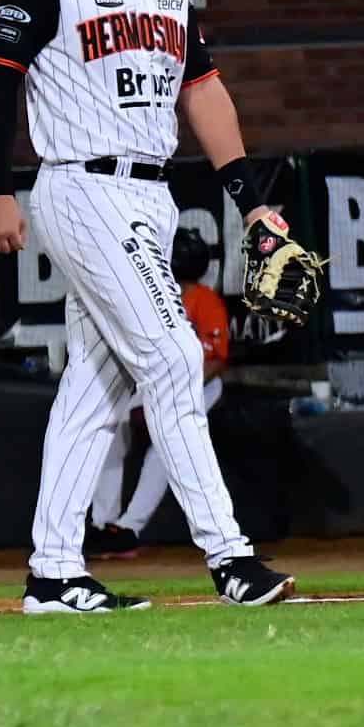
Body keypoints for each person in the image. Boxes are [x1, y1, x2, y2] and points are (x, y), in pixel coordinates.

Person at [0, 0, 301, 613]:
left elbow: (205, 92)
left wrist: (251, 200)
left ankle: (53, 569)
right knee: (172, 355)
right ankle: (229, 556)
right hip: (82, 186)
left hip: (149, 193)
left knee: (94, 387)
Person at [85, 229, 229, 558]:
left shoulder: (204, 299)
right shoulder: (153, 294)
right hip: (154, 384)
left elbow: (216, 359)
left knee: (166, 445)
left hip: (199, 387)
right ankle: (102, 524)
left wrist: (167, 394)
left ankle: (128, 528)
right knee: (112, 432)